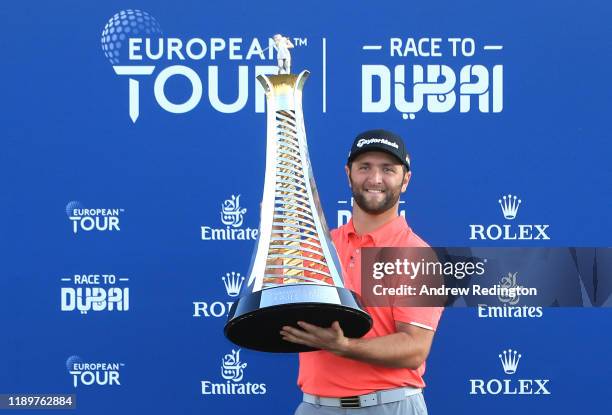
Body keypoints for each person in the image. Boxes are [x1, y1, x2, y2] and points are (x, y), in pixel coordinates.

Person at [280, 129, 444, 414]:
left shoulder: (414, 253)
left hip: (388, 406)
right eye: (364, 167)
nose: (375, 179)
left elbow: (414, 348)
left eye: (388, 169)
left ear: (405, 180)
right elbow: (280, 308)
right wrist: (281, 226)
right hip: (315, 406)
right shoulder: (318, 247)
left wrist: (344, 346)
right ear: (348, 174)